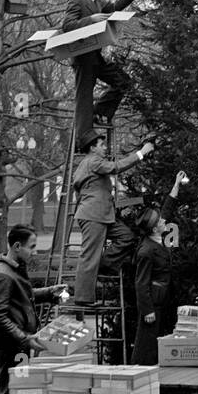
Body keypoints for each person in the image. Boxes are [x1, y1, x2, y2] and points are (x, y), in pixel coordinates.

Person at [0, 225, 67, 394]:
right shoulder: (3, 275)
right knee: (10, 391)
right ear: (16, 246)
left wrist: (49, 293)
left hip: (17, 344)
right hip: (11, 345)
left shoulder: (14, 270)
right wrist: (23, 338)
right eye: (32, 247)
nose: (34, 251)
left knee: (18, 388)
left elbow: (23, 296)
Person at [61, 0, 140, 149]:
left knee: (124, 81)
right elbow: (68, 25)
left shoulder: (96, 0)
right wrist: (92, 19)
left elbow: (113, 8)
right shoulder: (77, 1)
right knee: (84, 97)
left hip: (96, 56)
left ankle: (101, 111)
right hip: (82, 57)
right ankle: (85, 139)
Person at [71, 129, 153, 307]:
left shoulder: (87, 164)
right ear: (92, 148)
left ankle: (103, 265)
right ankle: (83, 298)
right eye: (101, 145)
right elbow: (115, 167)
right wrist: (141, 153)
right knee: (89, 255)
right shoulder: (93, 161)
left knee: (126, 237)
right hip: (94, 215)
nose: (105, 148)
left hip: (102, 214)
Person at [130, 171, 189, 365]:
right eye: (161, 222)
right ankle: (138, 371)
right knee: (146, 343)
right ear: (155, 228)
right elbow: (141, 283)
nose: (164, 221)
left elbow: (166, 211)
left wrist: (176, 184)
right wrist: (147, 311)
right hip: (153, 303)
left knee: (158, 341)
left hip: (163, 299)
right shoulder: (146, 251)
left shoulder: (156, 236)